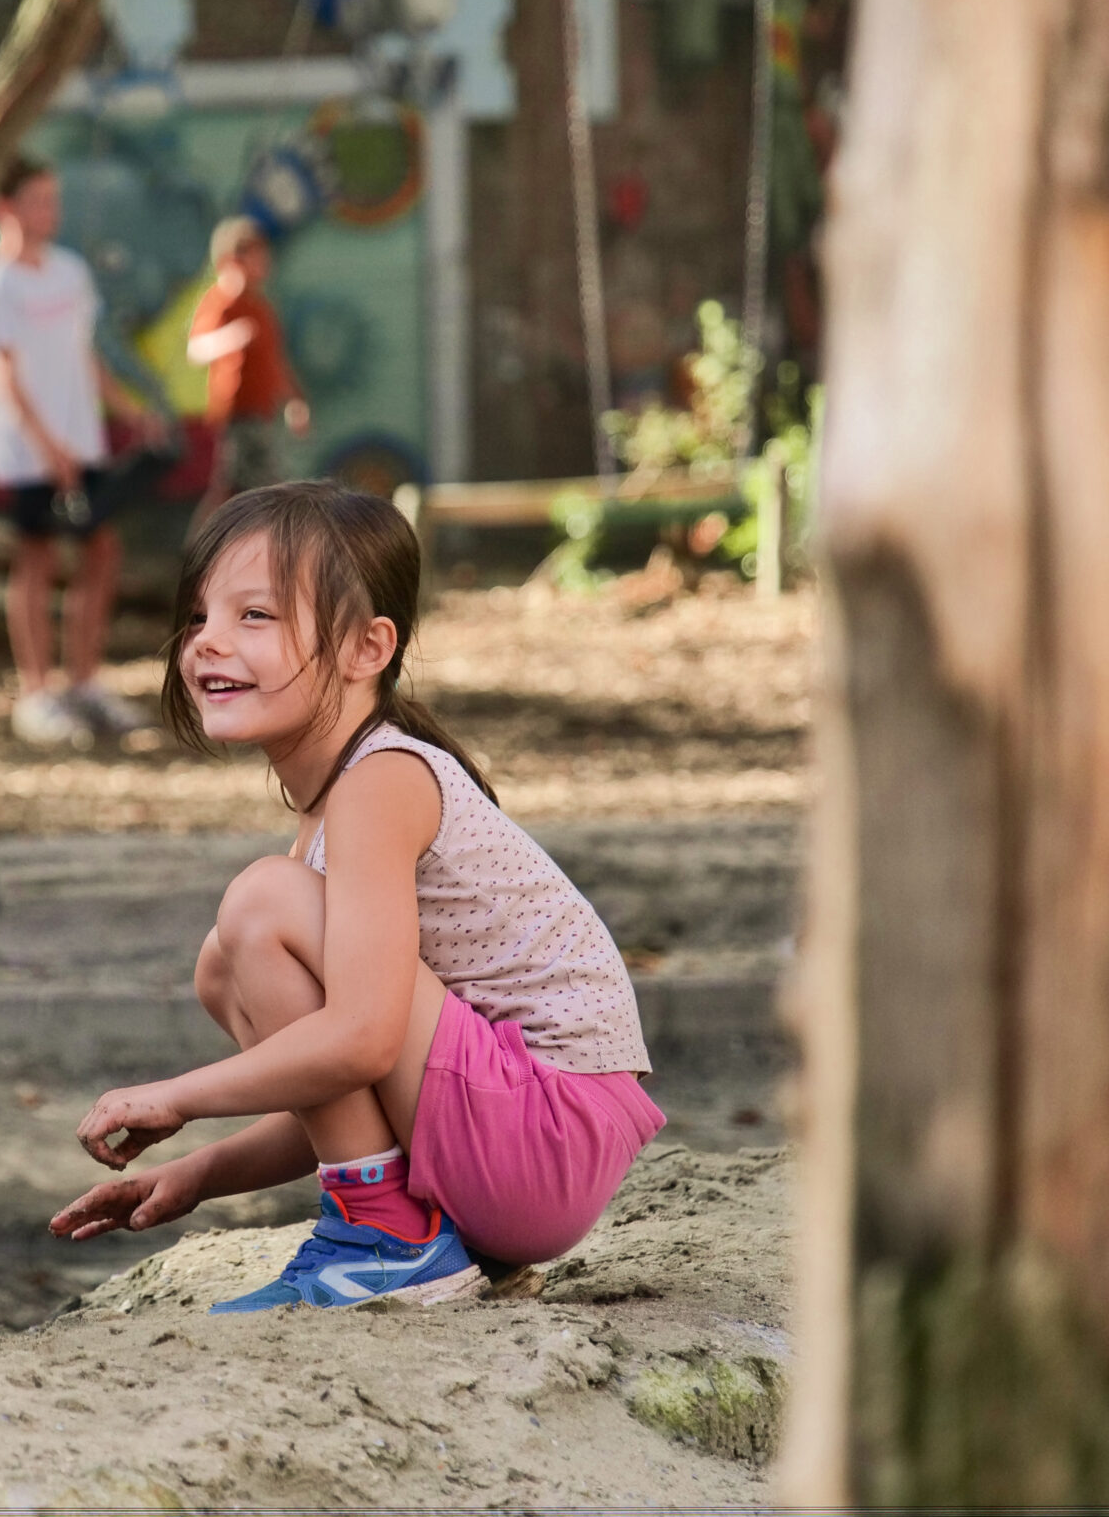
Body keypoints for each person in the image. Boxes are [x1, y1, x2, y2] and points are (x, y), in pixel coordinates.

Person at [47, 483, 664, 1310]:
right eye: (198, 616)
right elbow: (345, 1101)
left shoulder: (382, 780)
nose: (206, 642)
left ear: (367, 647)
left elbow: (364, 1042)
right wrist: (198, 1173)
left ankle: (386, 1240)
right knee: (224, 963)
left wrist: (177, 1097)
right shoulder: (335, 802)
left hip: (548, 1132)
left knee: (263, 907)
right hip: (516, 1145)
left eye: (254, 615)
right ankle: (399, 1230)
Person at [0, 156, 165, 745]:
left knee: (101, 550)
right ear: (4, 208)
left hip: (83, 444)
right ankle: (36, 694)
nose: (49, 211)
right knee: (38, 558)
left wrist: (129, 410)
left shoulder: (70, 273)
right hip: (30, 454)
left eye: (53, 199)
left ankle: (85, 684)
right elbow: (2, 372)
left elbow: (85, 355)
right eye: (37, 200)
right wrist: (49, 449)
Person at [185, 219, 309, 532]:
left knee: (238, 489)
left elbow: (276, 360)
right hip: (235, 417)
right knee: (251, 488)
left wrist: (294, 400)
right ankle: (203, 548)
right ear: (232, 260)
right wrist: (229, 338)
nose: (265, 265)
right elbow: (197, 349)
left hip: (261, 413)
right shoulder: (222, 301)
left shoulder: (261, 306)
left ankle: (212, 546)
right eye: (257, 257)